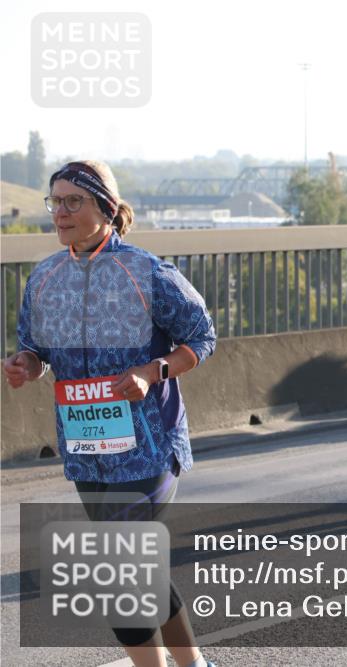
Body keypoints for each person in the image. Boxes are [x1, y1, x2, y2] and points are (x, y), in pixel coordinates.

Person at [3, 161, 217, 667]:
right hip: (86, 453)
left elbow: (202, 338)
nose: (61, 212)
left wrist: (151, 370)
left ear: (107, 208)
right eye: (54, 201)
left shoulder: (147, 271)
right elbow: (35, 349)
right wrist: (25, 364)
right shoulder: (44, 277)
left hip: (149, 449)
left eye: (74, 201)